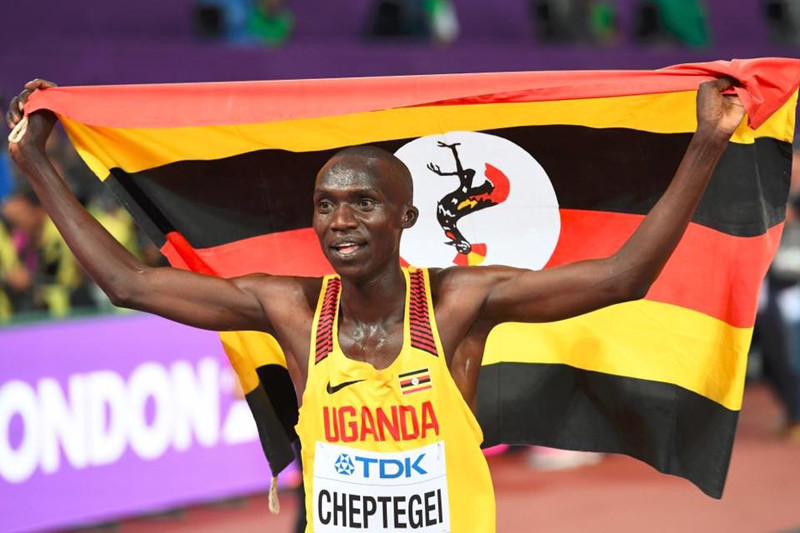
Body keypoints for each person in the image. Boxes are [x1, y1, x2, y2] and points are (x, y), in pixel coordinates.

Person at [7, 78, 744, 531]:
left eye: (363, 203)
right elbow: (131, 284)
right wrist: (36, 163)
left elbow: (621, 278)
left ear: (407, 217)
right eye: (326, 205)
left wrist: (707, 144)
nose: (341, 221)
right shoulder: (291, 309)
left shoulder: (458, 303)